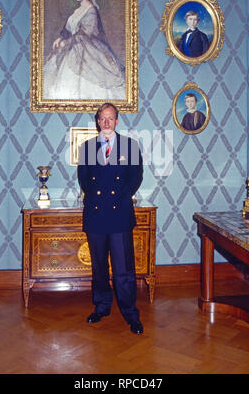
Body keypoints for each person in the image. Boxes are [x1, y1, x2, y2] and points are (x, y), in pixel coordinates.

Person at [77, 102, 144, 334]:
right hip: (96, 214)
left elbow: (136, 178)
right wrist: (97, 201)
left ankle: (130, 313)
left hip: (119, 214)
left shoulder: (130, 146)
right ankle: (102, 306)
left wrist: (120, 199)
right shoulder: (86, 148)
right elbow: (84, 180)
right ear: (97, 121)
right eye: (102, 118)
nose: (106, 122)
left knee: (123, 268)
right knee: (99, 267)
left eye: (110, 118)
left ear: (117, 121)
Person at [44, 0, 125, 100]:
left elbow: (86, 33)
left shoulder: (91, 10)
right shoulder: (77, 11)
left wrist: (66, 42)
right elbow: (68, 28)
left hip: (87, 50)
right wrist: (61, 38)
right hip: (72, 48)